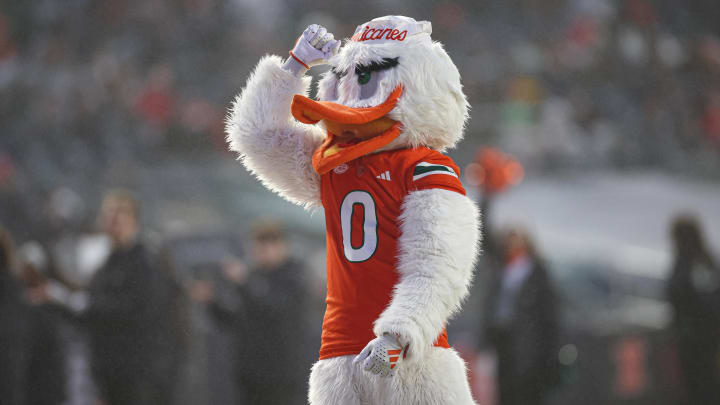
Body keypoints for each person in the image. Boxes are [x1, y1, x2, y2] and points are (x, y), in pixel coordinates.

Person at [83, 189, 185, 405]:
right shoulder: (106, 263)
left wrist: (88, 307)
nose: (114, 219)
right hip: (111, 371)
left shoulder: (147, 260)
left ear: (134, 219)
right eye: (109, 213)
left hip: (141, 373)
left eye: (121, 212)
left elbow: (140, 311)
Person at [191, 220, 311, 404]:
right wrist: (211, 302)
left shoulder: (293, 275)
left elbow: (274, 309)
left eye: (267, 247)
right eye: (257, 248)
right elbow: (237, 320)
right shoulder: (254, 276)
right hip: (251, 375)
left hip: (282, 375)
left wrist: (244, 282)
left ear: (281, 247)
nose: (261, 254)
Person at [481, 222, 560, 405]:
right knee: (505, 390)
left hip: (529, 345)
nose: (511, 244)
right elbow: (484, 237)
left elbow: (550, 315)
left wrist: (551, 352)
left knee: (527, 392)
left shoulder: (537, 271)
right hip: (503, 338)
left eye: (516, 238)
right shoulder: (501, 268)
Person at [666, 214, 720, 404]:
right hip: (698, 339)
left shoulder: (695, 266)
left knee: (701, 386)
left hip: (698, 340)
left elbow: (704, 303)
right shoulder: (700, 264)